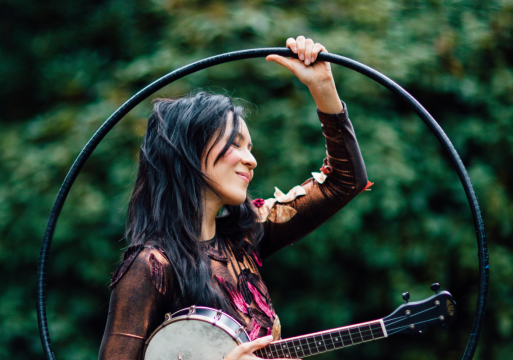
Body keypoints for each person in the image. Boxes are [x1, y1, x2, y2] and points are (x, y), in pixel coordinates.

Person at [98, 36, 371, 360]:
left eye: (250, 148)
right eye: (235, 144)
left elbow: (344, 181)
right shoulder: (151, 267)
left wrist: (323, 85)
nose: (251, 160)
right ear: (188, 151)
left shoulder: (247, 234)